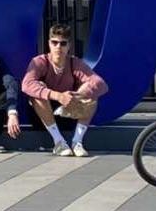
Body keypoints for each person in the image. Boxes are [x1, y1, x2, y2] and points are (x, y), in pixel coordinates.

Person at [15, 24, 109, 158]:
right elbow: (26, 85)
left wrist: (78, 95)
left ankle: (77, 142)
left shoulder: (74, 63)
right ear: (49, 43)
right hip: (42, 117)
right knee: (38, 90)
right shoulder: (40, 62)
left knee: (92, 94)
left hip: (69, 112)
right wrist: (58, 96)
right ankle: (59, 142)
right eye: (54, 42)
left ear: (69, 45)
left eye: (63, 43)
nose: (58, 47)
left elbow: (101, 84)